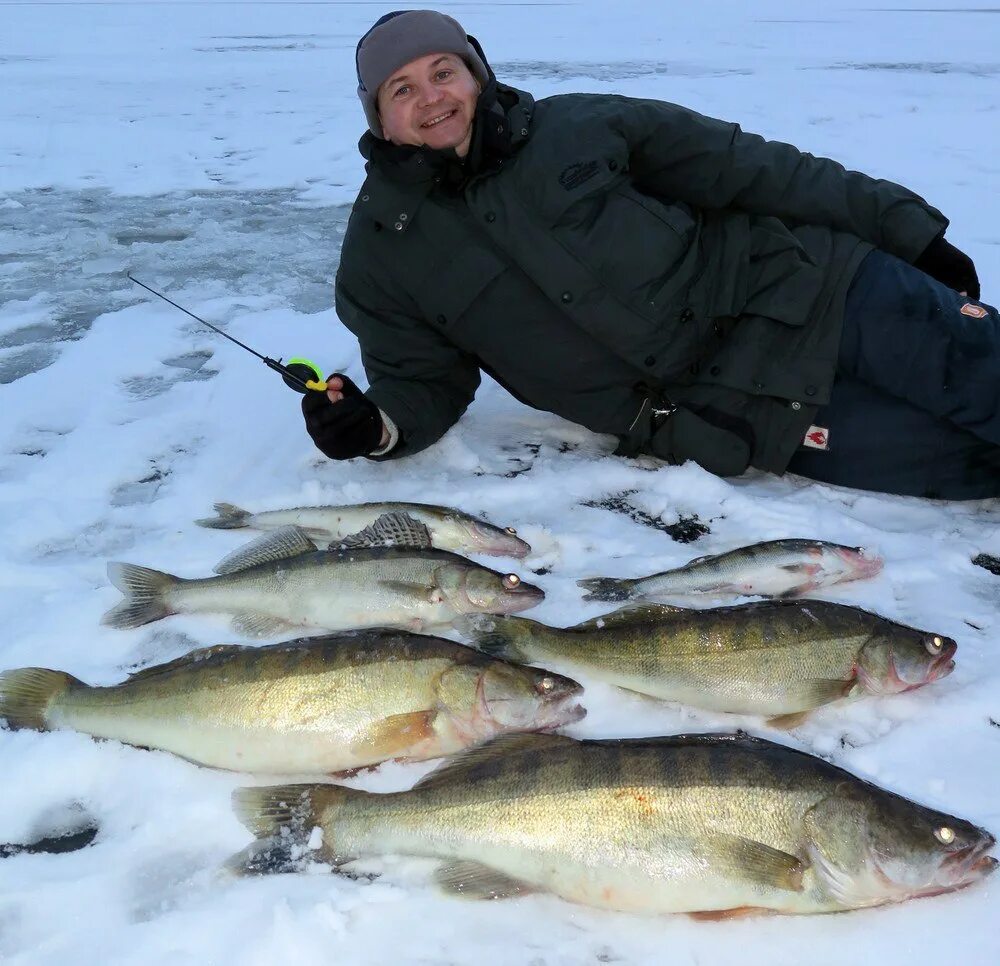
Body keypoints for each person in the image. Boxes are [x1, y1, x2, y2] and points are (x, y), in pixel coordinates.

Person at [302, 9, 1000, 500]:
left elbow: (751, 168)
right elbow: (422, 381)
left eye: (443, 70)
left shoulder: (583, 126)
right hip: (738, 414)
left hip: (814, 290)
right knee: (969, 466)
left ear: (476, 73)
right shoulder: (381, 257)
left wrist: (903, 228)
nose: (432, 98)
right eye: (403, 89)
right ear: (379, 118)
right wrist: (376, 427)